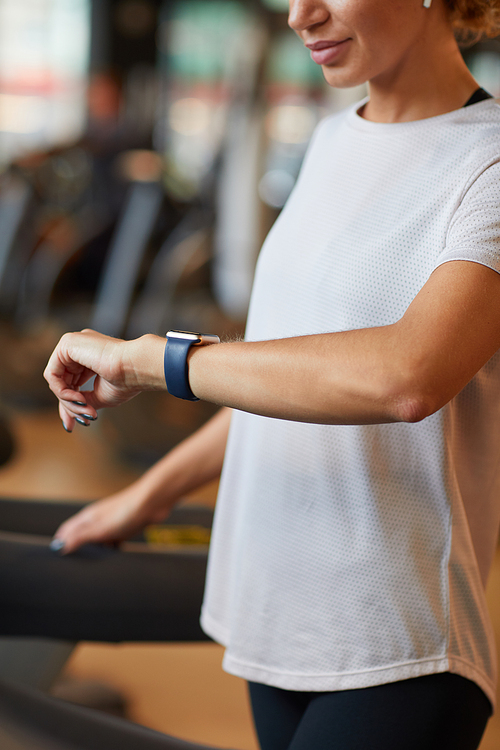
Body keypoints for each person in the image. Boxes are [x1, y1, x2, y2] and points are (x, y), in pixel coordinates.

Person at [44, 0, 500, 748]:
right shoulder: (327, 140)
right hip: (276, 615)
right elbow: (287, 375)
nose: (299, 14)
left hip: (397, 646)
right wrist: (147, 495)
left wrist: (149, 359)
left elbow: (408, 376)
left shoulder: (488, 158)